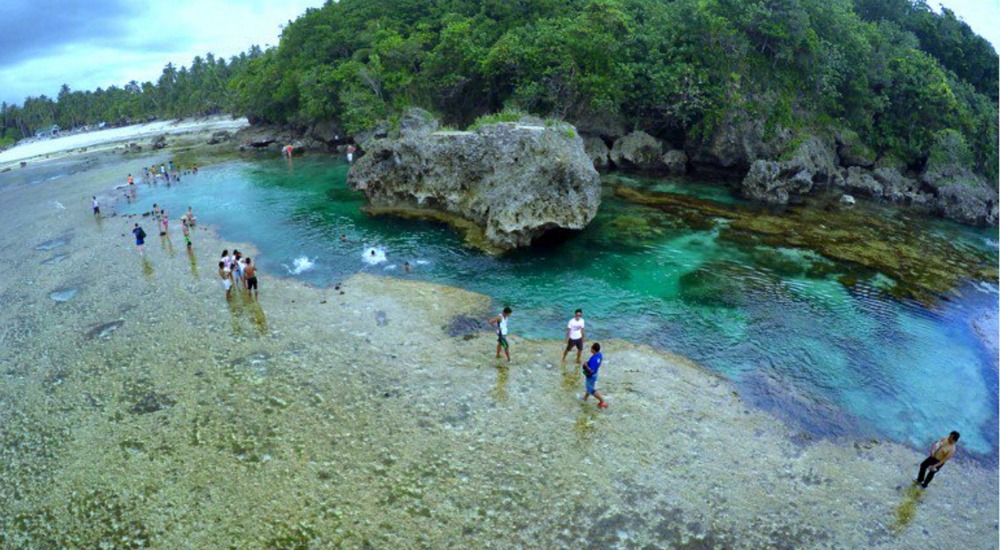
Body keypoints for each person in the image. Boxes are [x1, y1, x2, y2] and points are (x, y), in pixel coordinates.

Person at [581, 342, 607, 409]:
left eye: (591, 348)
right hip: (596, 373)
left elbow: (590, 371)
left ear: (593, 349)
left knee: (591, 389)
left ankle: (602, 401)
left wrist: (586, 365)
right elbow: (600, 361)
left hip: (591, 376)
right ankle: (584, 399)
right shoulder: (599, 355)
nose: (590, 349)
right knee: (590, 387)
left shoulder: (594, 359)